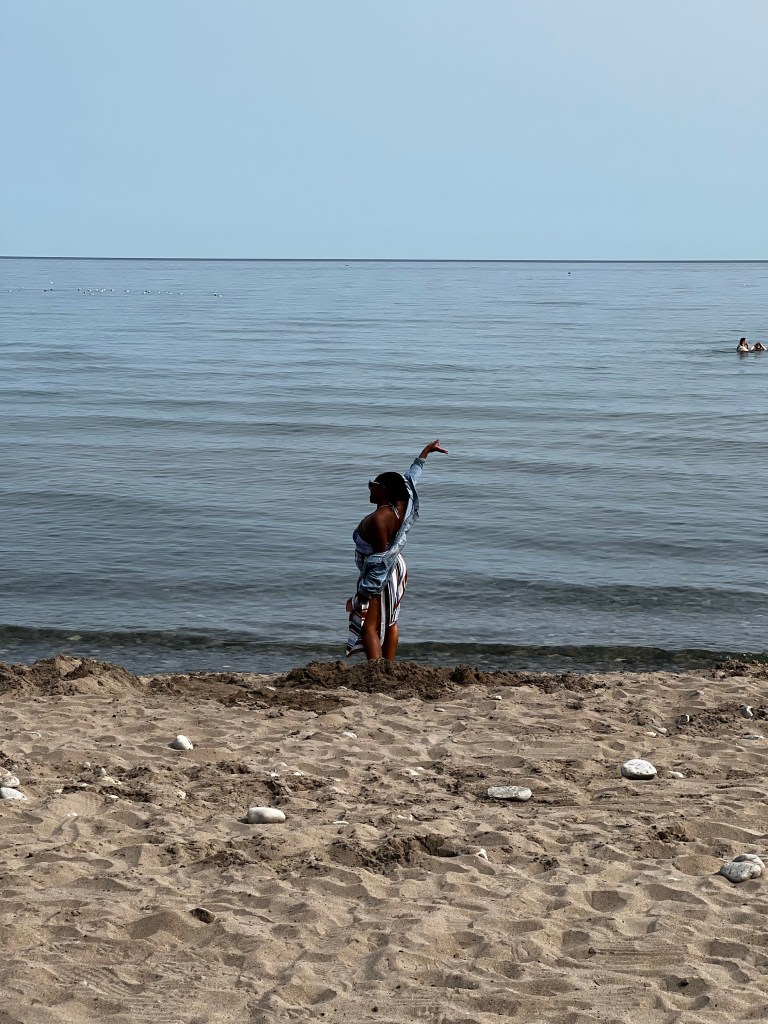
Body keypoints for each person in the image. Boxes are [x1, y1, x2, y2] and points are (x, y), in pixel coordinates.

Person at [346, 439, 448, 661]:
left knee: (369, 626)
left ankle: (376, 670)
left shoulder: (379, 520)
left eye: (371, 485)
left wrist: (366, 591)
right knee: (390, 620)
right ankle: (389, 666)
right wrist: (425, 453)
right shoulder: (404, 500)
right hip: (397, 567)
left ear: (383, 490)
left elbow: (380, 560)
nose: (369, 489)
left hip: (381, 572)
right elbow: (410, 478)